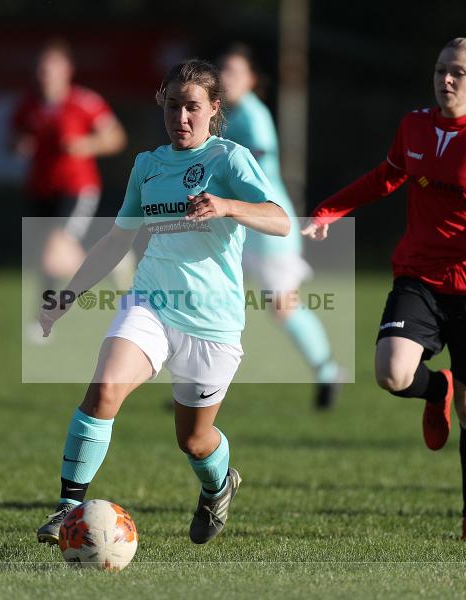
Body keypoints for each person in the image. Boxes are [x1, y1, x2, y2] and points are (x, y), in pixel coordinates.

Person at [302, 37, 466, 542]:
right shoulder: (415, 126)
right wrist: (331, 208)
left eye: (457, 73)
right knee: (391, 373)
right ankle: (432, 386)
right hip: (419, 275)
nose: (445, 80)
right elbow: (387, 177)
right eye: (440, 70)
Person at [35, 59, 289, 545]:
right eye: (173, 106)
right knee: (104, 388)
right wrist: (66, 296)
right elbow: (116, 240)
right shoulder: (148, 166)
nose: (182, 117)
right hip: (150, 303)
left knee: (193, 440)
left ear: (215, 109)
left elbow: (279, 219)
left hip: (213, 323)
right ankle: (67, 509)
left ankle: (219, 485)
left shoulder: (229, 159)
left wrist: (228, 205)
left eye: (193, 107)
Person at [220, 44, 344, 409]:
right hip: (242, 225)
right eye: (223, 70)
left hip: (269, 228)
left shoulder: (252, 116)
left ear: (251, 80)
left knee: (283, 307)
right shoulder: (227, 114)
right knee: (213, 298)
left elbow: (251, 165)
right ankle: (197, 385)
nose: (227, 78)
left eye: (235, 72)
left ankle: (327, 371)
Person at [10, 39, 129, 341]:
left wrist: (85, 145)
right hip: (40, 190)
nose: (45, 75)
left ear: (67, 71)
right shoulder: (28, 105)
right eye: (41, 68)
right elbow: (12, 142)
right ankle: (45, 317)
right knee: (45, 260)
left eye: (51, 68)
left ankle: (106, 264)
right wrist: (18, 146)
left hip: (76, 189)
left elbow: (116, 137)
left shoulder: (84, 103)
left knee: (54, 254)